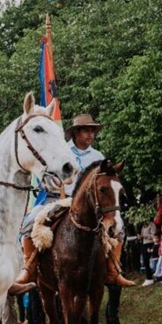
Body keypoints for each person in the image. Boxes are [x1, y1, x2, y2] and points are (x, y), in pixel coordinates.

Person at [15, 114, 134, 289]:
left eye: (92, 131)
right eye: (86, 131)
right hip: (57, 198)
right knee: (30, 222)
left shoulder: (98, 156)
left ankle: (113, 270)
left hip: (88, 204)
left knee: (119, 228)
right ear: (76, 132)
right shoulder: (61, 150)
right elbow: (44, 176)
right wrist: (54, 183)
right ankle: (29, 268)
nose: (91, 135)